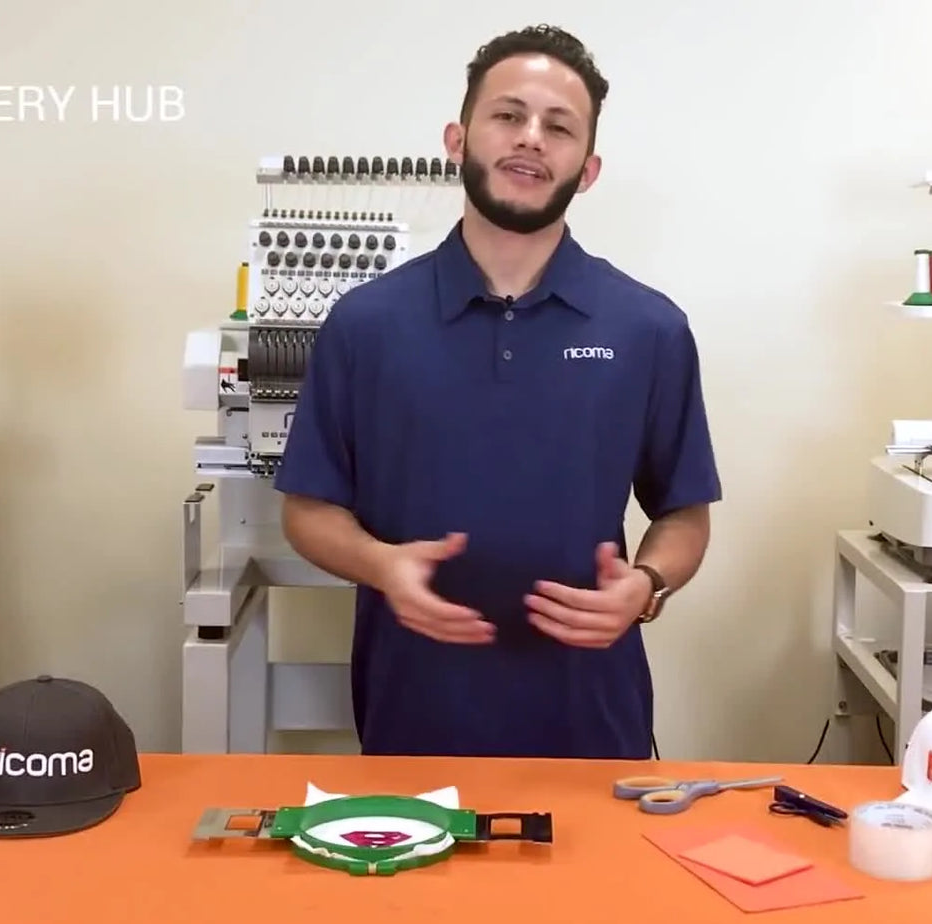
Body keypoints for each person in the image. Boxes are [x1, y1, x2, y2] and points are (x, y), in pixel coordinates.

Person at [273, 24, 721, 760]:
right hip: (414, 719)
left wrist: (644, 585)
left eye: (559, 127)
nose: (532, 139)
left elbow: (685, 515)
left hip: (593, 722)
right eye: (509, 116)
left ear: (590, 167)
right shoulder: (366, 323)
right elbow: (308, 511)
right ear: (458, 139)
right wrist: (382, 565)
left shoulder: (649, 328)